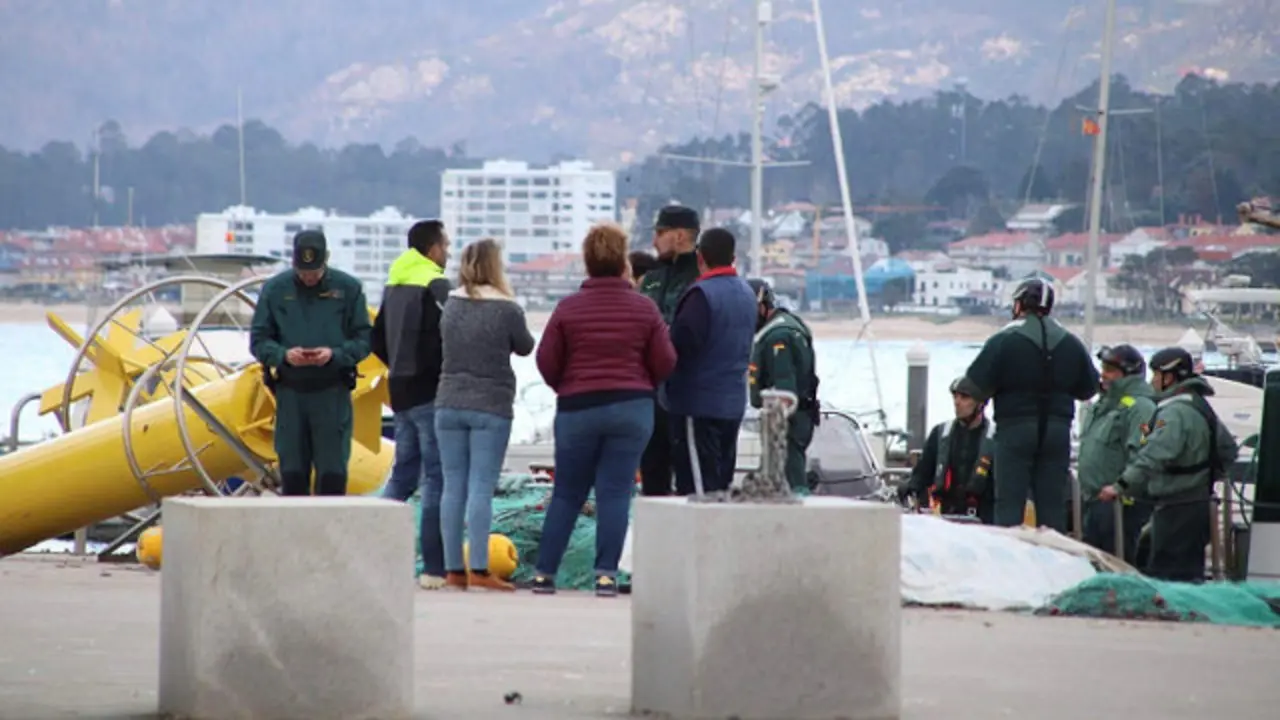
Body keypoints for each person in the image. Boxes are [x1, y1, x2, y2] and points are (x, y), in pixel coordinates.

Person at [532, 223, 677, 597]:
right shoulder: (645, 308)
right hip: (631, 407)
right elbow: (665, 360)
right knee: (615, 490)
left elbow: (546, 360)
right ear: (623, 261)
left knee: (567, 492)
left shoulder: (568, 309)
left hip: (578, 408)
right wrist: (643, 383)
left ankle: (544, 573)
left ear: (587, 261)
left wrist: (566, 386)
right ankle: (606, 575)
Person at [434, 238, 535, 591]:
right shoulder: (506, 309)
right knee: (480, 486)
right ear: (496, 266)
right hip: (491, 404)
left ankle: (452, 570)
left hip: (447, 402)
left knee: (452, 486)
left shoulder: (452, 304)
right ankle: (478, 567)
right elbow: (525, 346)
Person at [964, 276, 1098, 532]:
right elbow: (1088, 388)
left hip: (1015, 428)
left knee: (1009, 506)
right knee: (1052, 506)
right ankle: (1055, 560)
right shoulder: (1070, 341)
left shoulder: (1004, 339)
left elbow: (975, 386)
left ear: (1020, 304)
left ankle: (1011, 563)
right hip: (1058, 431)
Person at [1100, 347, 1239, 582]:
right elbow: (1228, 451)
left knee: (1169, 574)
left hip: (1177, 506)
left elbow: (1153, 454)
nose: (1152, 381)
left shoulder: (1174, 413)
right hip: (1197, 503)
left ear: (1170, 377)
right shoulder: (1199, 405)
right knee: (1188, 573)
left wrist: (1120, 486)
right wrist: (1203, 477)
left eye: (1156, 375)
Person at [250, 230, 372, 496]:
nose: (308, 278)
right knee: (292, 472)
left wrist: (335, 354)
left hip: (332, 393)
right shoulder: (275, 290)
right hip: (290, 394)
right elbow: (258, 341)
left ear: (325, 261)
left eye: (314, 272)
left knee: (333, 473)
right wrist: (282, 355)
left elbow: (364, 340)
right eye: (303, 272)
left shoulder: (348, 289)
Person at [370, 219, 452, 590]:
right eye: (445, 245)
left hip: (399, 390)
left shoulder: (396, 280)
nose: (448, 252)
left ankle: (376, 555)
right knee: (436, 477)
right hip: (429, 391)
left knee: (403, 474)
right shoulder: (434, 283)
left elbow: (377, 341)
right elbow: (447, 337)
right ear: (433, 248)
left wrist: (398, 369)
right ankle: (433, 567)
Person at [665, 227, 757, 495]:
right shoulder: (747, 294)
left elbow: (680, 345)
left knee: (695, 487)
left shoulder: (700, 295)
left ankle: (695, 537)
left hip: (698, 404)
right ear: (733, 257)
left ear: (700, 257)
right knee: (720, 482)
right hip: (733, 403)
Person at [636, 205, 702, 496]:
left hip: (688, 393)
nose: (654, 241)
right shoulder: (651, 278)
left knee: (690, 477)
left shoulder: (701, 278)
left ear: (679, 235)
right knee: (652, 472)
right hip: (649, 394)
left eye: (660, 233)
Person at [1077, 344, 1156, 564]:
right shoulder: (1104, 405)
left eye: (1111, 370)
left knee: (1117, 563)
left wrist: (1121, 487)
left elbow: (1142, 453)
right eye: (1103, 367)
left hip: (1119, 505)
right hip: (1095, 501)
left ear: (1129, 374)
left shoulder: (1141, 407)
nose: (1103, 374)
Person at [746, 278, 819, 490]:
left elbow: (785, 394)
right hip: (797, 419)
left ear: (762, 305)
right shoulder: (789, 325)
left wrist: (776, 420)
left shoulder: (778, 336)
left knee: (791, 482)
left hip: (788, 424)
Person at [897, 377, 997, 523]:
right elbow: (923, 472)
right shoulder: (940, 433)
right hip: (946, 516)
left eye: (964, 397)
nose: (957, 402)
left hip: (985, 518)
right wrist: (909, 487)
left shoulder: (996, 438)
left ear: (980, 403)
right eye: (955, 397)